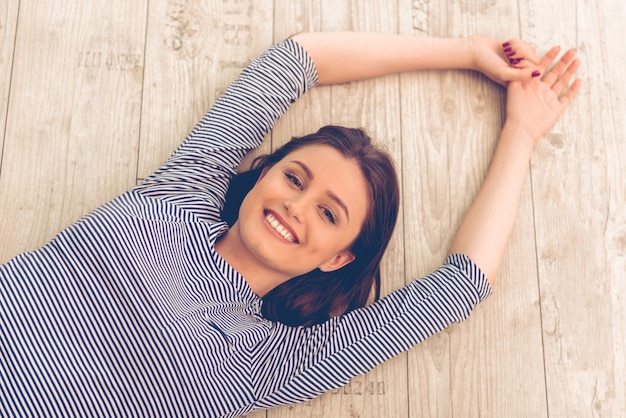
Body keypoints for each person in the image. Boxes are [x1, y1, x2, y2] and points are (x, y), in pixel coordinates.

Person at [0, 32, 580, 417]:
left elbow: (460, 288)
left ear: (338, 257)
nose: (296, 208)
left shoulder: (276, 357)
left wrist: (522, 134)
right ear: (261, 176)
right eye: (295, 179)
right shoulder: (177, 198)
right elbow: (294, 63)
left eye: (330, 214)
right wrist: (467, 51)